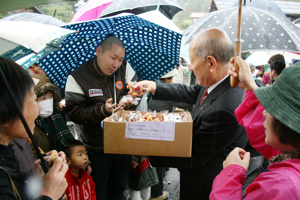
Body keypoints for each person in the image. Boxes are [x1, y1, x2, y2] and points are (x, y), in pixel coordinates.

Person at [132, 28, 248, 200]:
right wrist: (154, 85)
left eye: (192, 61)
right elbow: (191, 92)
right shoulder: (218, 83)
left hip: (205, 185)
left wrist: (145, 149)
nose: (190, 66)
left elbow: (192, 156)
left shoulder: (225, 109)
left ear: (211, 63)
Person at [210, 57, 300, 199]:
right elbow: (267, 131)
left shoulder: (279, 187)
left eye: (270, 108)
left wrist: (231, 172)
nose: (264, 111)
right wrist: (248, 87)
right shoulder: (292, 152)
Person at [65, 35, 133, 200]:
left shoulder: (125, 68)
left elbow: (134, 91)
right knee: (98, 192)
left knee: (118, 190)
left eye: (120, 59)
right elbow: (74, 112)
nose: (116, 64)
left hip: (122, 144)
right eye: (113, 58)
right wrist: (103, 110)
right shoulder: (78, 77)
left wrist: (129, 99)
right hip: (96, 148)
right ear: (98, 51)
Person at [0, 56, 68, 200]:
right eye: (33, 98)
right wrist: (48, 195)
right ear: (7, 108)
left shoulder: (5, 155)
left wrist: (32, 177)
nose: (38, 109)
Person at [30, 74, 75, 158]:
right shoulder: (29, 125)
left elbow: (70, 144)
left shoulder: (57, 117)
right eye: (43, 98)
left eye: (50, 96)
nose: (48, 101)